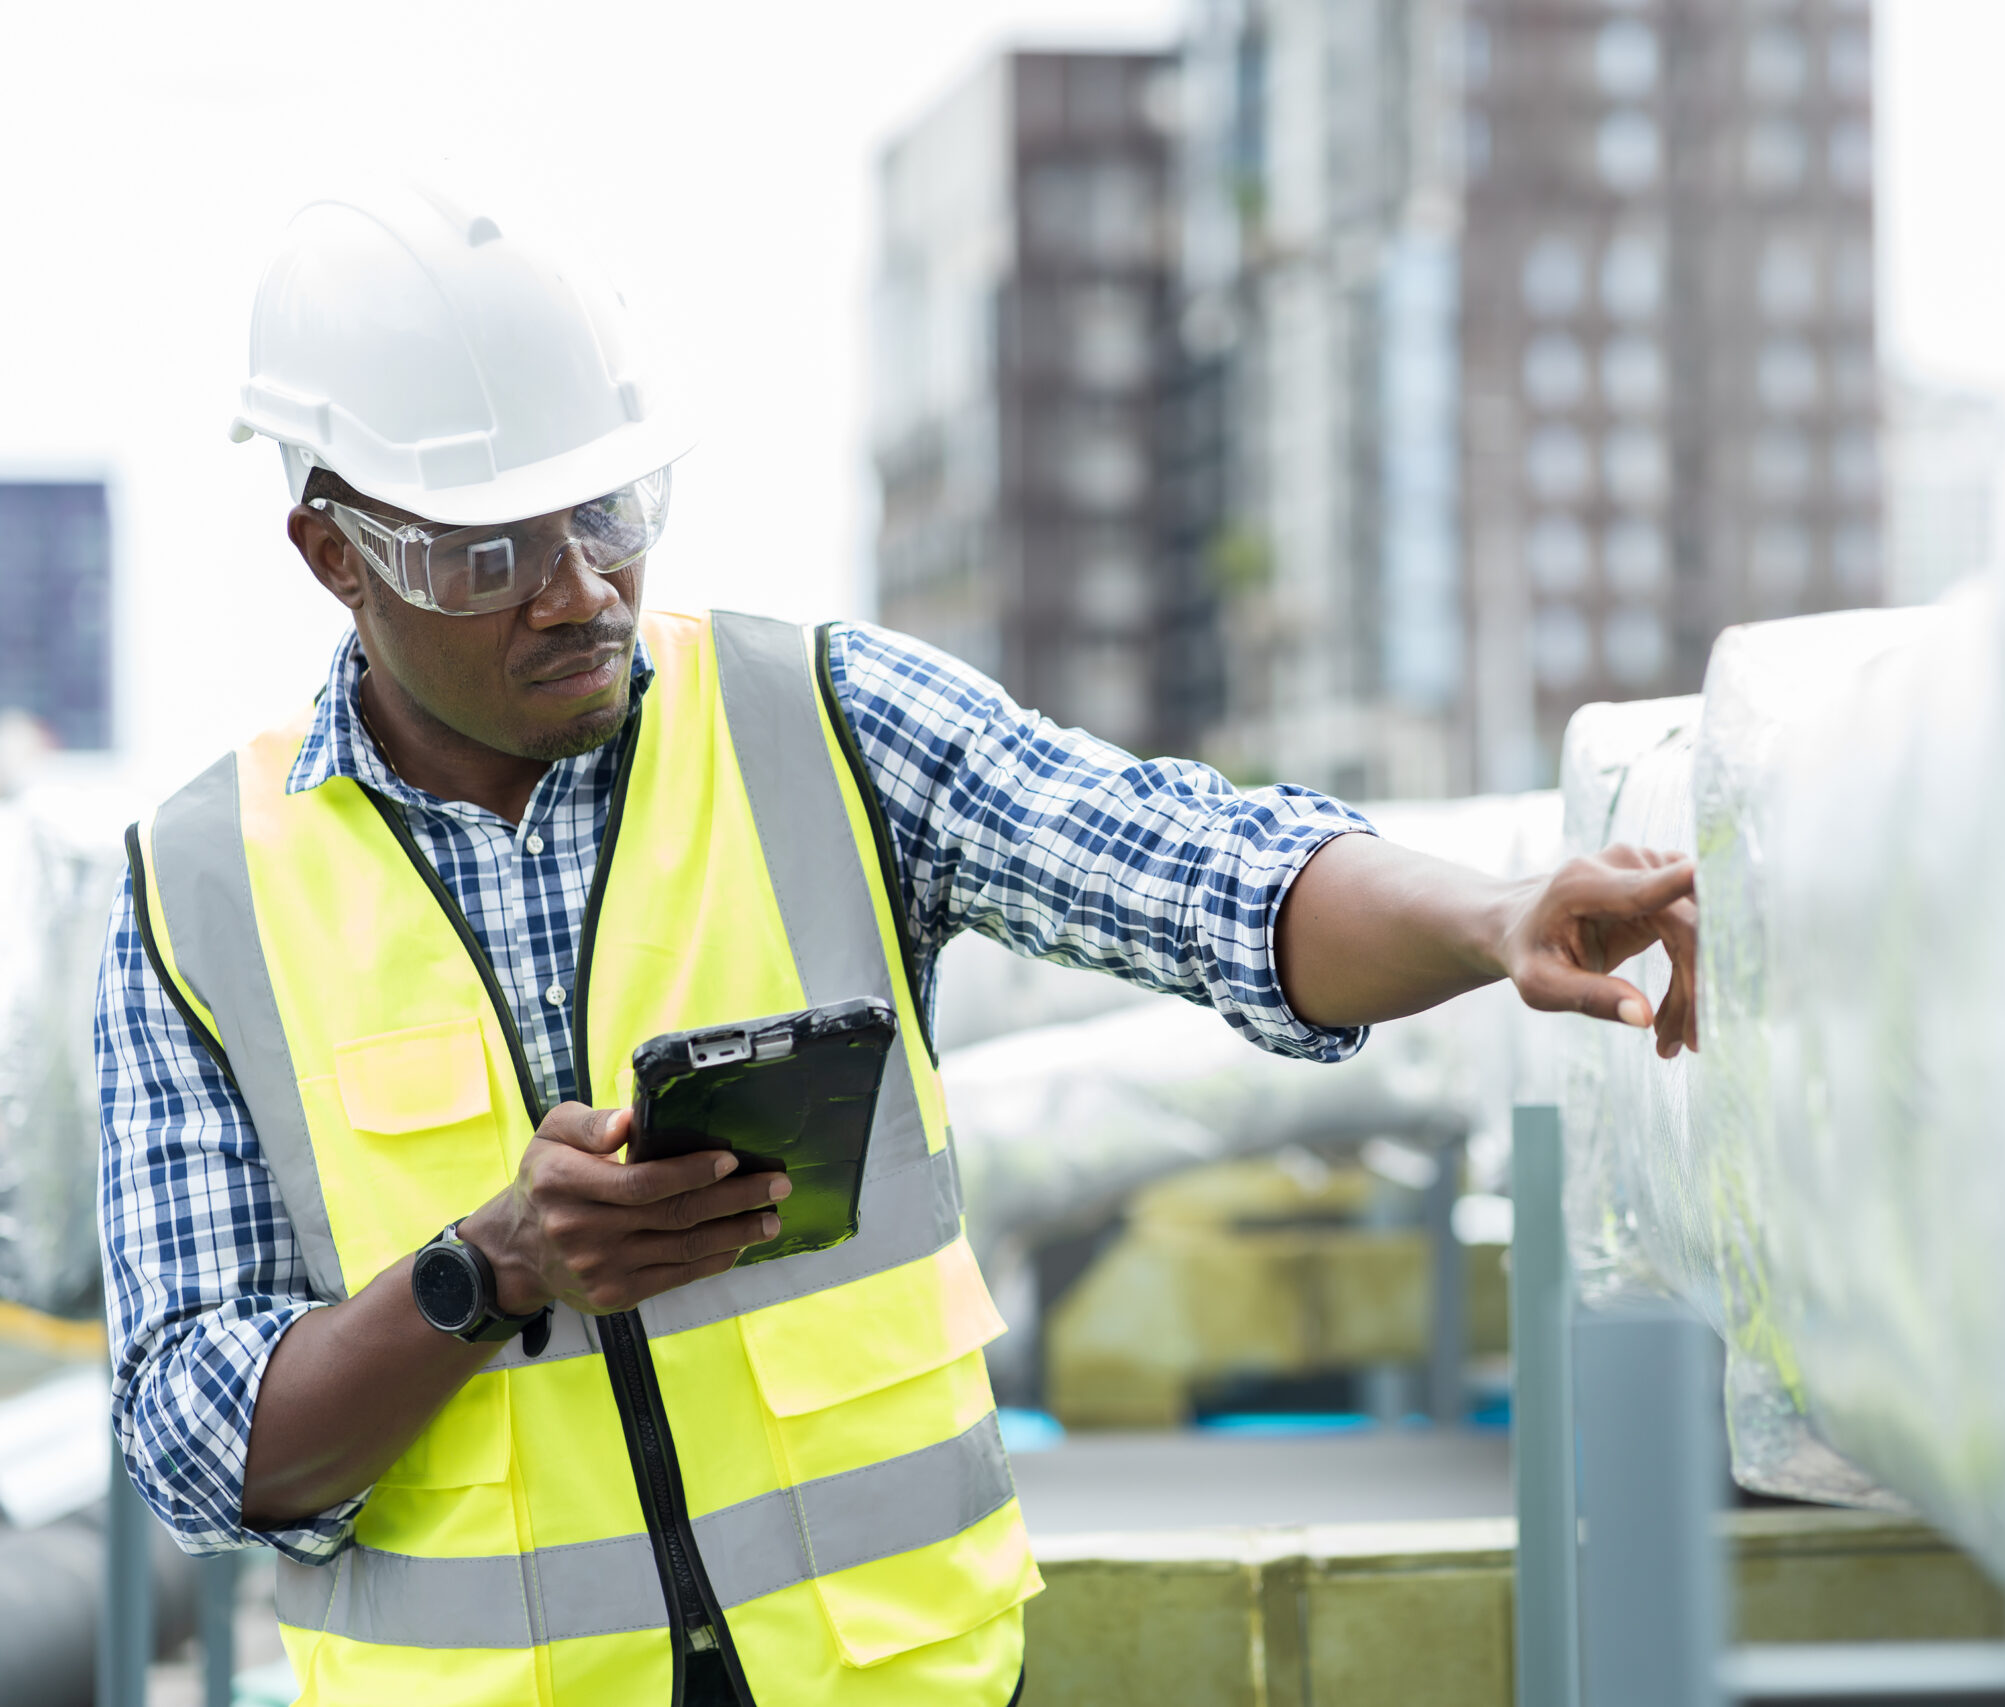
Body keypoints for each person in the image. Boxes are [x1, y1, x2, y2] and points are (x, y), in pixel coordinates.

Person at [97, 185, 1698, 1707]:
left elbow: (1195, 867)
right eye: (489, 554)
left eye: (606, 511)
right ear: (333, 554)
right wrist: (489, 1272)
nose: (578, 590)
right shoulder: (200, 894)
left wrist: (1489, 919)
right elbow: (193, 1447)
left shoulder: (824, 727)